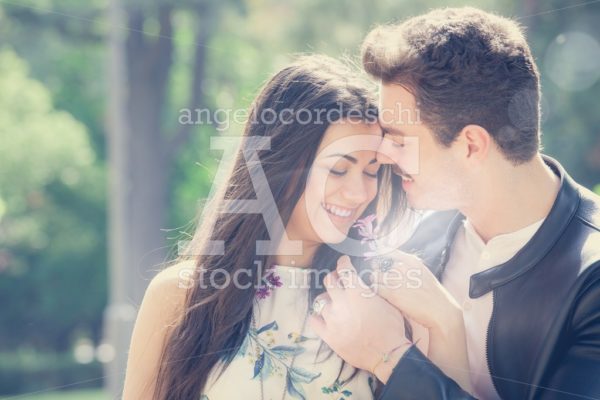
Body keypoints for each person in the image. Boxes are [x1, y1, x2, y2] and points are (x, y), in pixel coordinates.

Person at [309, 7, 600, 400]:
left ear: (470, 145)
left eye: (399, 139)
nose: (384, 155)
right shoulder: (412, 240)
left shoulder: (592, 282)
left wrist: (391, 359)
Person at [122, 54, 415, 400]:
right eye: (338, 169)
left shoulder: (380, 299)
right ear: (278, 164)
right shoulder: (179, 295)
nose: (359, 192)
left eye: (371, 171)